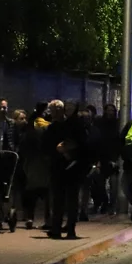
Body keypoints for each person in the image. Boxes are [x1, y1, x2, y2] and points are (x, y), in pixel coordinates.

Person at [46, 101, 90, 239]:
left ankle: (69, 229)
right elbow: (46, 146)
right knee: (59, 200)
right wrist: (58, 150)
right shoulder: (55, 127)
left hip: (72, 167)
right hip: (60, 166)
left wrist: (69, 151)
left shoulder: (75, 125)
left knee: (70, 199)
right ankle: (58, 228)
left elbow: (83, 145)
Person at [20, 103, 51, 230]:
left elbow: (24, 143)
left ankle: (29, 218)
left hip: (31, 162)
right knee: (48, 192)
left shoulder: (30, 126)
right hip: (44, 162)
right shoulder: (47, 127)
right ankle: (48, 219)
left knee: (31, 191)